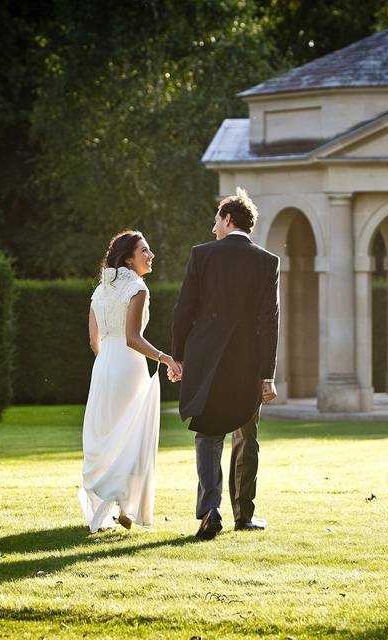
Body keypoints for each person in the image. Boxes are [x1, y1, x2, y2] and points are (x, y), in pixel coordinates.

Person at [172, 188, 280, 540]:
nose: (213, 225)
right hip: (247, 363)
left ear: (228, 218)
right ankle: (243, 515)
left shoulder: (201, 256)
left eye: (217, 218)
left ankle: (210, 510)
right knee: (246, 436)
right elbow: (269, 321)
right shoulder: (267, 261)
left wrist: (178, 356)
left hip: (206, 360)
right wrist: (267, 375)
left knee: (208, 435)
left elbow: (184, 309)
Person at [79, 230, 182, 533]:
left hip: (104, 368)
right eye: (145, 251)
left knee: (108, 434)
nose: (151, 256)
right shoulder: (137, 288)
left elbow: (94, 340)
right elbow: (133, 338)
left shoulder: (100, 290)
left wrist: (106, 363)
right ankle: (124, 504)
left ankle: (114, 504)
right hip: (128, 366)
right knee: (131, 435)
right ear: (128, 258)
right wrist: (165, 358)